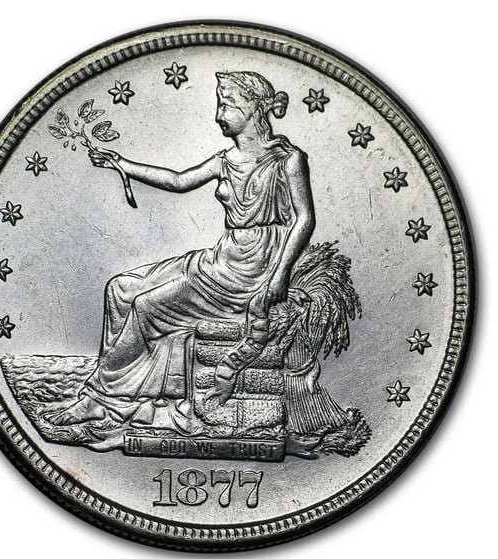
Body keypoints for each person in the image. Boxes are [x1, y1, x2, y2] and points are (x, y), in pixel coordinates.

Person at [48, 71, 315, 431]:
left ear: (254, 109)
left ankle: (102, 400)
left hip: (250, 271)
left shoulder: (288, 160)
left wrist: (280, 276)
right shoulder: (224, 160)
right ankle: (131, 394)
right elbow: (178, 180)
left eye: (227, 106)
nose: (218, 116)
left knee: (146, 307)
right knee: (120, 289)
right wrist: (122, 164)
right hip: (221, 259)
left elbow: (304, 219)